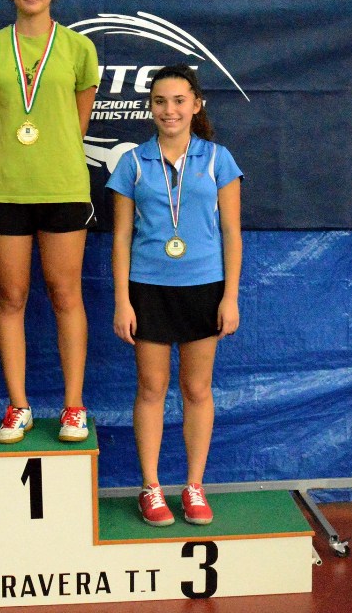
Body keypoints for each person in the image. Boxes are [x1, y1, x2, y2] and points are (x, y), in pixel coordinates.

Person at [0, 0, 99, 444]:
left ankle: (73, 407)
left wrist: (48, 154)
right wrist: (5, 162)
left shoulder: (80, 48)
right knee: (11, 298)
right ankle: (18, 406)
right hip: (5, 190)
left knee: (66, 295)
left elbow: (78, 122)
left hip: (63, 186)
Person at [107, 65, 243, 526]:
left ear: (196, 104)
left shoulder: (218, 159)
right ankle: (150, 487)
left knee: (197, 389)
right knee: (151, 388)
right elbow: (121, 237)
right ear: (150, 107)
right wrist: (122, 300)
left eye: (179, 100)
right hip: (148, 289)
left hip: (204, 288)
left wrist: (230, 297)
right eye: (160, 101)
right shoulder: (132, 163)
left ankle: (194, 486)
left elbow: (232, 232)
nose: (170, 110)